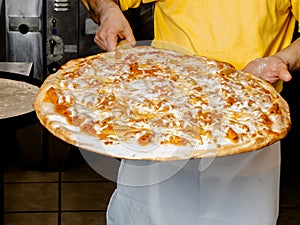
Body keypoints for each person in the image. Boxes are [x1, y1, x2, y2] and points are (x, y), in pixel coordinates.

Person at [80, 1, 300, 225]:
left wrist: (284, 59)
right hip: (161, 118)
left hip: (248, 123)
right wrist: (109, 12)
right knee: (143, 217)